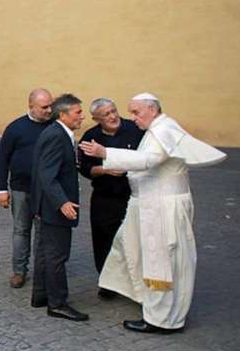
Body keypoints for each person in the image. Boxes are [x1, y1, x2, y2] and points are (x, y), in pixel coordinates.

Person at [79, 93, 226, 333]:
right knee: (127, 247)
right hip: (149, 204)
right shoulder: (156, 128)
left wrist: (106, 153)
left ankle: (161, 320)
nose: (132, 118)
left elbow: (150, 159)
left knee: (162, 262)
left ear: (152, 110)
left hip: (160, 208)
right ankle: (146, 301)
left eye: (136, 112)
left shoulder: (162, 130)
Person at [77, 98, 144, 299]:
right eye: (106, 114)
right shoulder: (90, 137)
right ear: (96, 119)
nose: (113, 116)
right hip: (105, 196)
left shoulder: (135, 129)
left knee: (135, 238)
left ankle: (136, 283)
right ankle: (107, 282)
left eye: (114, 111)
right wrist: (104, 170)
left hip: (134, 193)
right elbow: (85, 168)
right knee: (103, 239)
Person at [30, 93, 88, 321]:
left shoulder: (58, 133)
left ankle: (41, 295)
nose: (82, 117)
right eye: (78, 112)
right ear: (63, 115)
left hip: (49, 206)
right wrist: (62, 202)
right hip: (54, 208)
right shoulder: (56, 135)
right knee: (57, 255)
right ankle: (57, 303)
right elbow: (47, 175)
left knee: (46, 253)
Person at [0, 88, 53, 288]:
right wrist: (1, 189)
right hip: (21, 188)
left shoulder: (54, 126)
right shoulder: (15, 128)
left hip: (47, 190)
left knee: (43, 232)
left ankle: (42, 271)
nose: (49, 110)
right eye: (44, 107)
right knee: (21, 230)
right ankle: (19, 271)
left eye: (50, 106)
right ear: (31, 106)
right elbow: (2, 159)